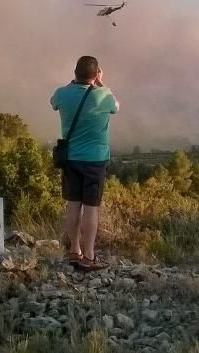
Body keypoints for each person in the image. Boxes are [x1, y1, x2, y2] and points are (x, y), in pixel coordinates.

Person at [51, 56, 119, 272]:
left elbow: (53, 102)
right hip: (95, 160)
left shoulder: (62, 94)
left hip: (71, 158)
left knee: (73, 206)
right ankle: (89, 256)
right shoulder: (104, 95)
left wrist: (73, 84)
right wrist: (101, 83)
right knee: (91, 209)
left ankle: (74, 251)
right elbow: (116, 107)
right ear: (97, 73)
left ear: (74, 72)